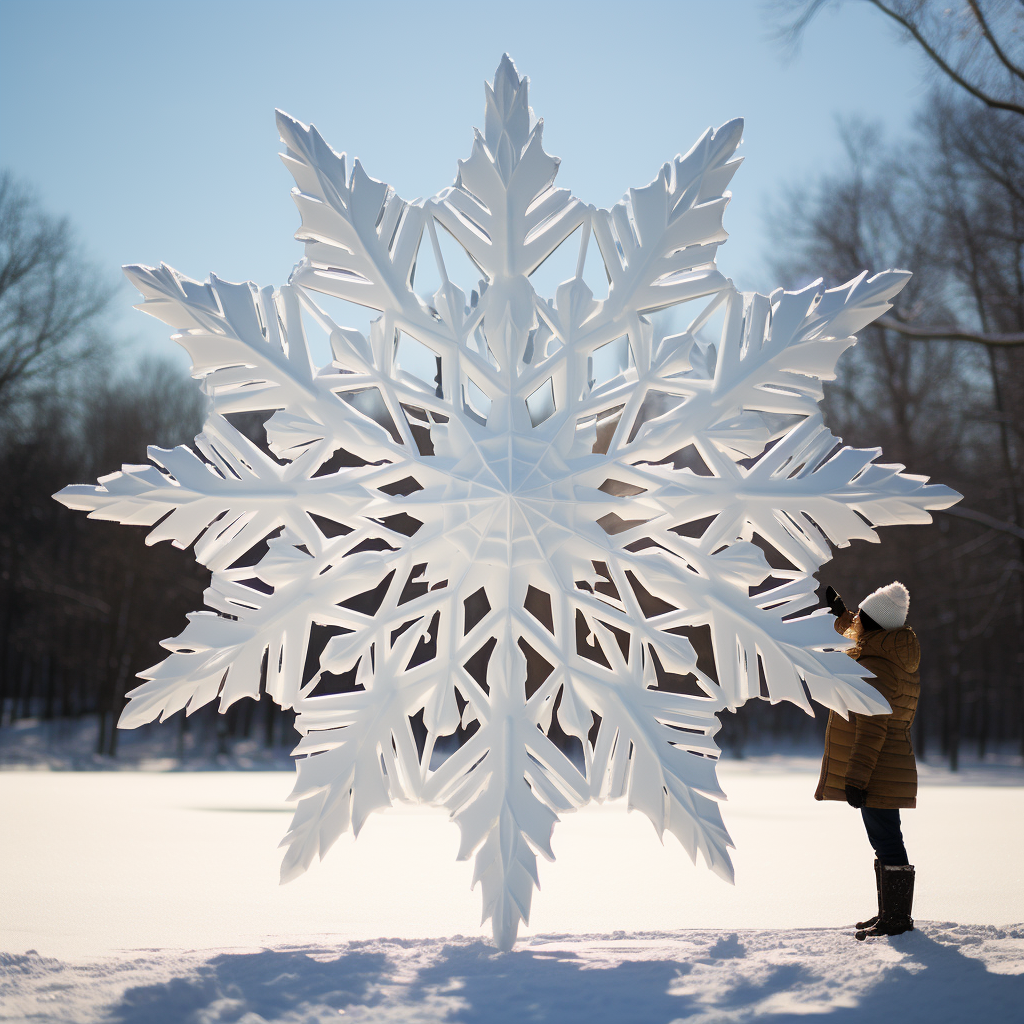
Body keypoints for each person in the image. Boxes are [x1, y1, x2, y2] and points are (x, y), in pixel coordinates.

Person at [816, 581, 920, 940]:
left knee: (887, 841)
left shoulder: (877, 668)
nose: (856, 620)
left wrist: (856, 779)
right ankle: (888, 914)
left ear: (875, 623)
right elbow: (865, 635)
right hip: (888, 764)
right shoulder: (891, 652)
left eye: (862, 615)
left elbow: (872, 729)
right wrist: (841, 614)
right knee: (886, 839)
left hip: (877, 768)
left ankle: (896, 919)